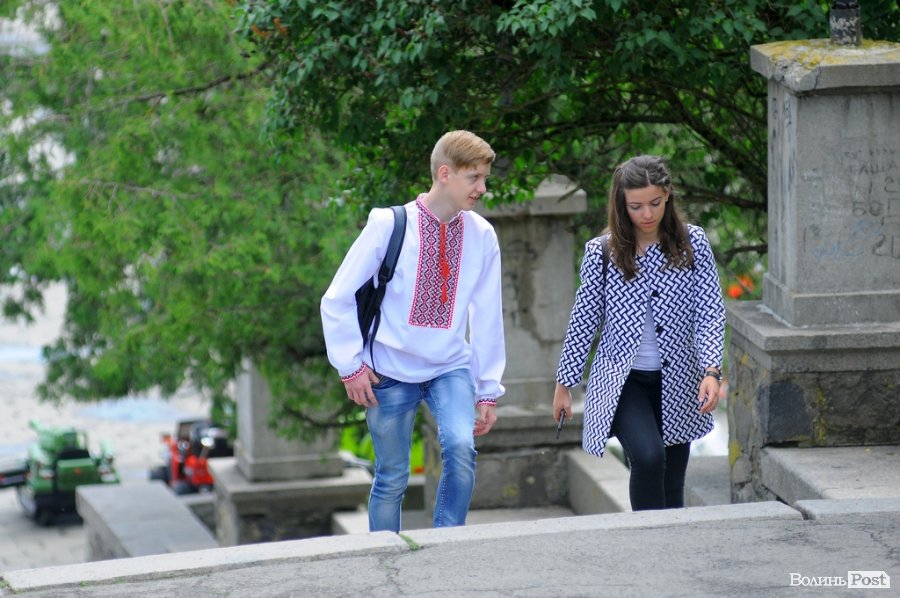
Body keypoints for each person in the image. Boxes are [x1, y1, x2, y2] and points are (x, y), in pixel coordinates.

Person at [321, 130, 506, 532]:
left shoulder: (481, 235)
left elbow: (488, 314)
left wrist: (487, 387)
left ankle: (447, 547)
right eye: (474, 177)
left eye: (484, 178)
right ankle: (384, 558)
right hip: (387, 372)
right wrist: (350, 366)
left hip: (449, 368)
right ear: (445, 173)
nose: (482, 188)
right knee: (392, 477)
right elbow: (337, 297)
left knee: (461, 448)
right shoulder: (388, 224)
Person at [553, 155, 725, 511]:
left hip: (679, 379)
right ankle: (644, 534)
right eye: (636, 206)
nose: (647, 214)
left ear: (668, 196)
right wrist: (564, 384)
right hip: (624, 380)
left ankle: (668, 543)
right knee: (648, 457)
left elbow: (709, 311)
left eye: (655, 203)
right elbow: (584, 319)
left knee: (672, 482)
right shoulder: (603, 252)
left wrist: (711, 370)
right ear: (621, 204)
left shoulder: (692, 243)